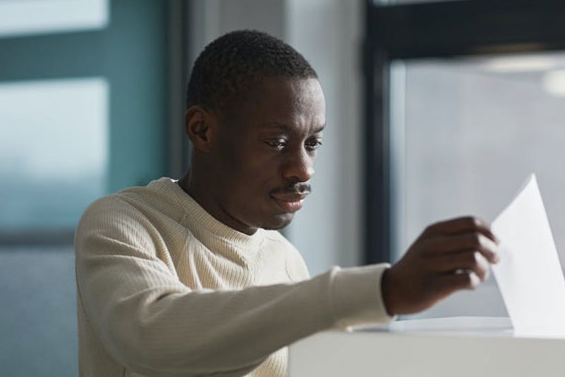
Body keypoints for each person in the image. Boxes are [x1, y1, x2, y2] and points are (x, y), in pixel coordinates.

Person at [74, 29, 499, 377]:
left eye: (312, 143)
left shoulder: (284, 259)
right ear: (202, 130)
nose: (304, 170)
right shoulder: (124, 223)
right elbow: (155, 337)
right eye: (277, 142)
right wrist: (382, 289)